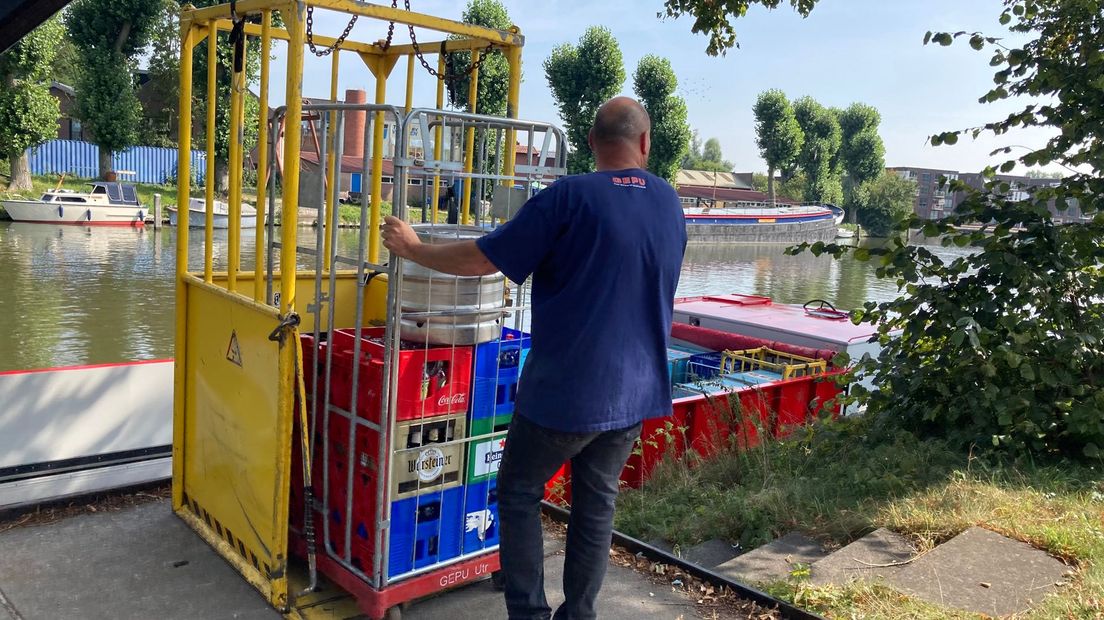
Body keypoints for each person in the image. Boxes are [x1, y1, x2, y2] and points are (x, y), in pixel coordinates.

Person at [381, 96, 687, 620]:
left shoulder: (567, 197)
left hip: (565, 394)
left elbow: (483, 259)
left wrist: (412, 247)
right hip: (636, 394)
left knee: (519, 489)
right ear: (645, 143)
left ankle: (528, 614)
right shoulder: (668, 201)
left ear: (591, 143)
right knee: (595, 507)